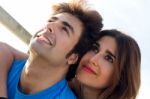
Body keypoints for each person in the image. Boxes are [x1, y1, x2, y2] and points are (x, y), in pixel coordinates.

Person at [0, 0, 103, 99]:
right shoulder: (7, 64)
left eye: (64, 29)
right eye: (50, 20)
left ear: (72, 57)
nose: (49, 25)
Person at [70, 29, 141, 99]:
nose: (92, 59)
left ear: (122, 76)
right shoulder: (60, 85)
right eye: (95, 49)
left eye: (108, 58)